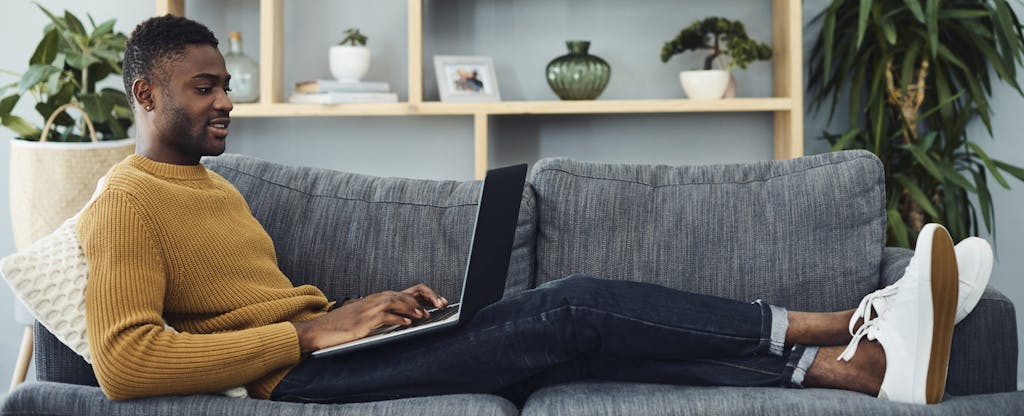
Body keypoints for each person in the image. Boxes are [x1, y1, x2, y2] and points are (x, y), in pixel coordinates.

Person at [79, 15, 993, 406]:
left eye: (226, 86)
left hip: (325, 355)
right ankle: (841, 323)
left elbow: (258, 307)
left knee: (591, 337)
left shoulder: (210, 187)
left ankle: (851, 373)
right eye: (205, 89)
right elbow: (124, 364)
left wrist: (352, 317)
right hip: (296, 383)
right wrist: (308, 339)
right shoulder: (125, 200)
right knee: (573, 304)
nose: (225, 102)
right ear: (145, 94)